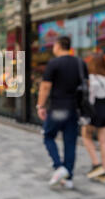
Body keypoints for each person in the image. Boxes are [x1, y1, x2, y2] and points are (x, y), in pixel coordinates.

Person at [36, 36, 88, 189]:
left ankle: (59, 167)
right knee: (70, 142)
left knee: (48, 135)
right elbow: (87, 86)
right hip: (74, 109)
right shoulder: (80, 63)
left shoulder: (54, 63)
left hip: (58, 108)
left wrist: (40, 106)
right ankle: (69, 178)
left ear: (57, 46)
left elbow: (45, 87)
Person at [81, 53, 105, 184]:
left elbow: (89, 99)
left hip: (94, 110)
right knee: (104, 141)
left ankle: (96, 164)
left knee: (86, 136)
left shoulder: (92, 78)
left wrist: (85, 116)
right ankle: (104, 168)